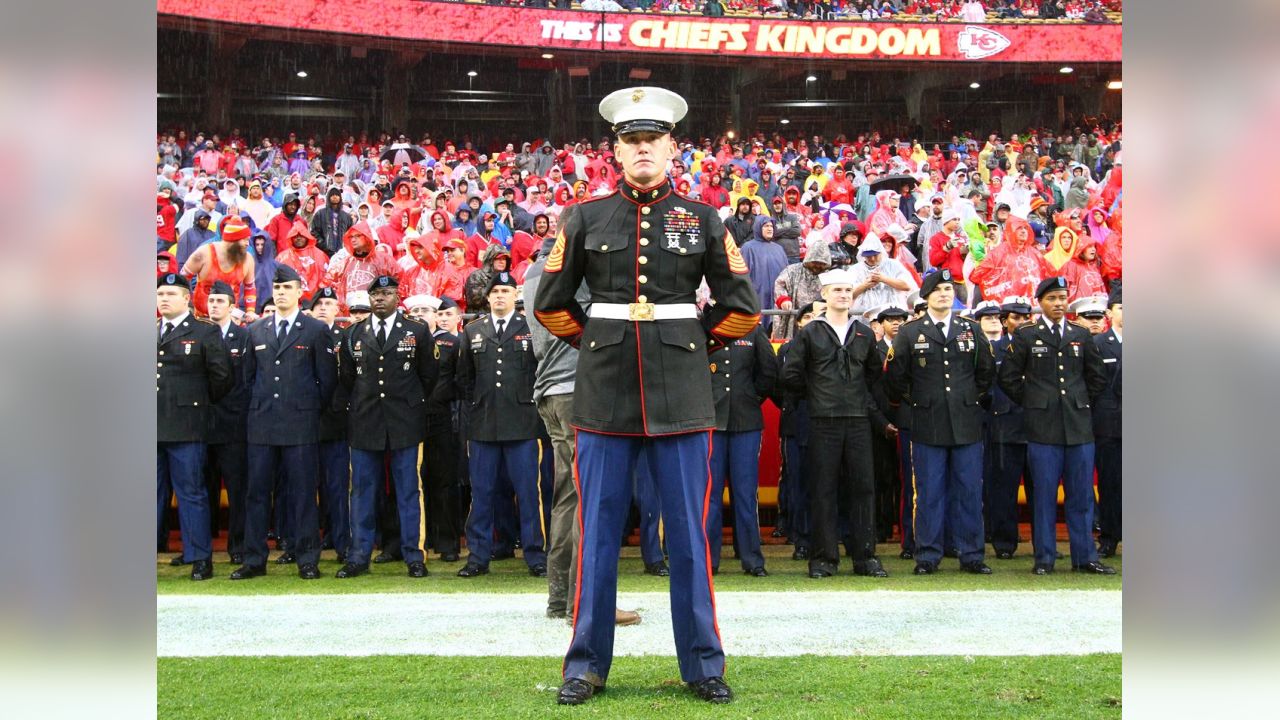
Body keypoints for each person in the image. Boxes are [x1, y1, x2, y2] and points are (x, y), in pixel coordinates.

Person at [534, 87, 760, 706]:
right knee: (596, 534)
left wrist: (690, 348)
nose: (641, 149)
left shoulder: (703, 217)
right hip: (604, 395)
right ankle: (583, 665)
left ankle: (704, 664)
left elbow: (742, 307)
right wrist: (601, 343)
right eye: (630, 140)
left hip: (683, 396)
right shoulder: (584, 217)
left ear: (670, 148)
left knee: (690, 533)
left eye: (651, 140)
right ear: (615, 150)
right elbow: (550, 304)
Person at [997, 276, 1114, 575]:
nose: (1059, 304)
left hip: (1078, 427)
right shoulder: (1026, 335)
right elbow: (1009, 378)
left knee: (1082, 496)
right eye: (1052, 299)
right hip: (1042, 428)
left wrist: (1079, 401)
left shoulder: (1080, 334)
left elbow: (1097, 377)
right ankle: (1045, 558)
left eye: (1062, 298)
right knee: (1044, 497)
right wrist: (1034, 401)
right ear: (1041, 303)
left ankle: (1084, 556)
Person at [230, 264, 338, 581]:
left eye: (287, 288)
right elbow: (247, 379)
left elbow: (327, 381)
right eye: (277, 289)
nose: (280, 293)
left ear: (299, 291)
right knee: (257, 493)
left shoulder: (315, 330)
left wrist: (308, 411)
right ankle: (254, 558)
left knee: (303, 493)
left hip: (301, 424)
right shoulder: (256, 330)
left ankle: (307, 558)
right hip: (262, 425)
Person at [885, 269, 996, 575]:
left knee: (969, 491)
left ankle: (972, 554)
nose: (945, 294)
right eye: (938, 290)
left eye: (949, 288)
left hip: (966, 422)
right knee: (929, 492)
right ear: (927, 296)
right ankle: (927, 555)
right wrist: (920, 401)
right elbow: (896, 379)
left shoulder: (970, 329)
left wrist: (969, 399)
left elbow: (986, 373)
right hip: (927, 422)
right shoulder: (909, 332)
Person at [780, 268, 887, 580]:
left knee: (863, 487)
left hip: (857, 421)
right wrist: (817, 396)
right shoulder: (810, 333)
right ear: (824, 295)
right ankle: (824, 559)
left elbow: (873, 375)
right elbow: (790, 375)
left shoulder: (865, 332)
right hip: (822, 421)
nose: (842, 295)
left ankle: (865, 557)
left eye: (847, 290)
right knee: (823, 489)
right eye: (836, 290)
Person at [336, 275, 439, 579]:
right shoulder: (354, 333)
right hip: (365, 422)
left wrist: (411, 405)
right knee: (362, 491)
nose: (379, 298)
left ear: (398, 296)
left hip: (405, 422)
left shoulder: (416, 331)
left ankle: (414, 555)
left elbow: (428, 376)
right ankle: (358, 555)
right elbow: (347, 378)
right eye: (375, 294)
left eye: (386, 293)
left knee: (409, 490)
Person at [455, 271, 549, 578]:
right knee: (481, 493)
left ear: (515, 295)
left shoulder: (530, 328)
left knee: (528, 493)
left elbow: (540, 373)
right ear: (487, 296)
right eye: (494, 291)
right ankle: (478, 557)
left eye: (505, 291)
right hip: (483, 425)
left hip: (522, 424)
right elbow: (465, 378)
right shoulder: (473, 330)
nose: (499, 296)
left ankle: (535, 555)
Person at [156, 273, 232, 580]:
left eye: (170, 294)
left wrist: (196, 404)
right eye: (160, 294)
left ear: (187, 298)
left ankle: (200, 557)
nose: (163, 299)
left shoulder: (203, 332)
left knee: (192, 494)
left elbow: (222, 377)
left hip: (188, 425)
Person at [706, 324, 778, 576]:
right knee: (709, 496)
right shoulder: (703, 327)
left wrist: (750, 397)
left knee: (746, 495)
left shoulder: (753, 330)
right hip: (711, 423)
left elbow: (768, 371)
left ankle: (752, 559)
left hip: (746, 422)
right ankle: (708, 560)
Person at [203, 280, 252, 566]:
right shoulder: (199, 335)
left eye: (220, 301)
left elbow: (245, 381)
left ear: (232, 306)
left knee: (237, 488)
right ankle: (202, 548)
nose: (214, 305)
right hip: (204, 424)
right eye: (211, 301)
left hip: (233, 425)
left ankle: (238, 545)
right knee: (203, 488)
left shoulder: (242, 337)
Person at [983, 296, 1034, 560]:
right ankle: (1004, 543)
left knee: (1041, 491)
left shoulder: (1042, 346)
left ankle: (1042, 543)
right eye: (1016, 317)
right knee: (1003, 491)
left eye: (1026, 317)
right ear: (1005, 321)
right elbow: (987, 387)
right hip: (1003, 427)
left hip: (1038, 428)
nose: (1022, 322)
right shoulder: (994, 349)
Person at [309, 287, 352, 566]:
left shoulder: (344, 337)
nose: (324, 308)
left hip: (335, 421)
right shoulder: (303, 333)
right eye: (319, 304)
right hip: (304, 420)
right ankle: (304, 540)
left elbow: (347, 378)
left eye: (329, 303)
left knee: (337, 486)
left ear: (338, 310)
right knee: (301, 486)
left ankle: (341, 542)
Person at [1092, 288, 1122, 558]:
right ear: (1109, 313)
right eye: (1121, 307)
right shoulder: (1100, 344)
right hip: (1109, 425)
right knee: (1110, 483)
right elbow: (1095, 385)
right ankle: (1110, 536)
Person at [180, 215, 258, 317]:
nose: (247, 244)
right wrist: (186, 305)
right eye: (244, 240)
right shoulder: (204, 253)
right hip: (202, 318)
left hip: (231, 318)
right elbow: (181, 281)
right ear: (233, 240)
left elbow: (250, 287)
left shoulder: (247, 259)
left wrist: (250, 311)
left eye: (248, 240)